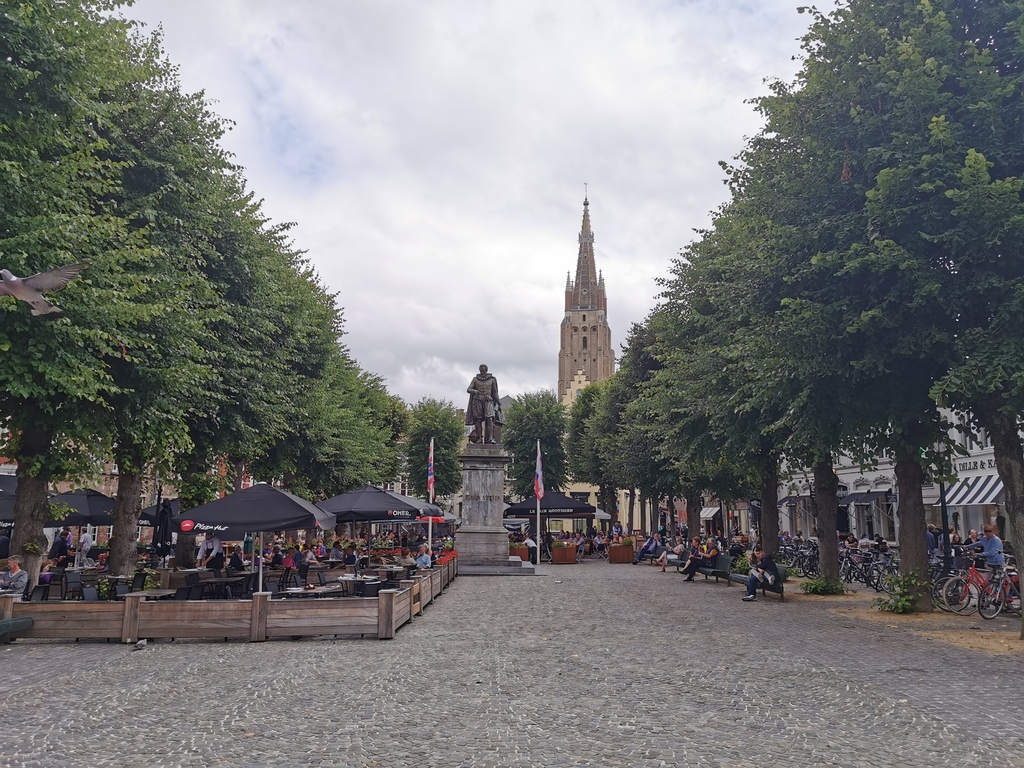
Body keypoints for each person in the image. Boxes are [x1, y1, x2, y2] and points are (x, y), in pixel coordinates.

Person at [464, 364, 501, 444]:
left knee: (490, 419)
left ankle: (490, 438)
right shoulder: (475, 379)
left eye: (483, 370)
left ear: (486, 370)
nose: (482, 372)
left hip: (488, 401)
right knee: (478, 420)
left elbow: (494, 393)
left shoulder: (492, 380)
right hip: (478, 401)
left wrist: (499, 403)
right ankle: (479, 438)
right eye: (481, 370)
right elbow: (468, 389)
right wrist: (475, 391)